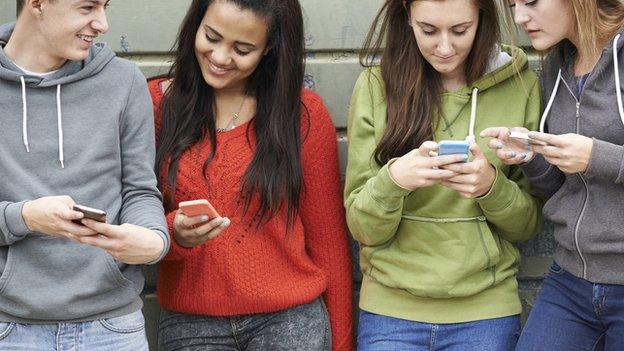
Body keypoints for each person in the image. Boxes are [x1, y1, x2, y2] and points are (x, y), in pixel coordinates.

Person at [149, 0, 354, 350]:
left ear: (269, 47)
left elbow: (329, 244)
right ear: (196, 23)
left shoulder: (302, 115)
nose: (220, 56)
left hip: (289, 322)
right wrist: (174, 233)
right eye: (212, 36)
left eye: (242, 49)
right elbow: (135, 213)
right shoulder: (156, 104)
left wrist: (343, 345)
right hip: (190, 325)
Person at [344, 0, 543, 350]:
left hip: (485, 312)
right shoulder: (375, 86)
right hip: (391, 311)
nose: (445, 47)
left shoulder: (520, 85)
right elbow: (363, 228)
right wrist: (395, 181)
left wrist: (490, 188)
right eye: (428, 30)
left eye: (460, 30)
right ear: (407, 17)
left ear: (482, 18)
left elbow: (526, 226)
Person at [0, 0, 170, 349]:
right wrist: (26, 217)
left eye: (105, 6)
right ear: (36, 3)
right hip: (10, 329)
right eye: (87, 7)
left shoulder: (123, 81)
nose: (102, 23)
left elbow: (140, 191)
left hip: (112, 328)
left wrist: (152, 238)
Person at [482, 1, 624, 350]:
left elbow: (593, 161)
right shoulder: (557, 65)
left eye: (531, 2)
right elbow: (563, 187)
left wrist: (596, 156)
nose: (519, 18)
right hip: (570, 279)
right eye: (514, 5)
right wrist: (532, 158)